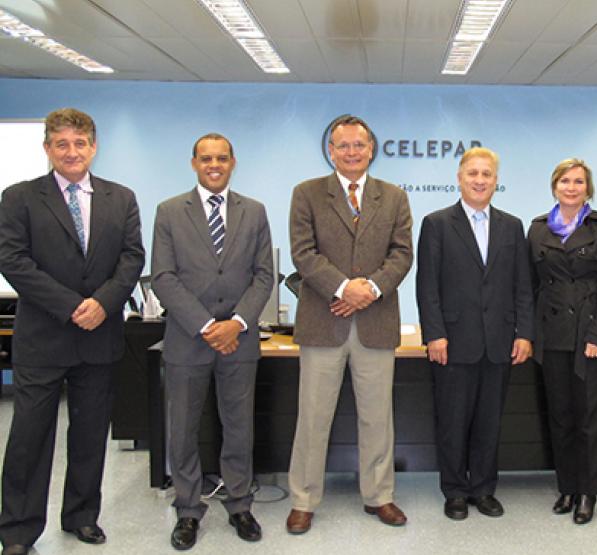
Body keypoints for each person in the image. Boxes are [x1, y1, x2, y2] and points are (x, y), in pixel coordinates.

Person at [0, 108, 144, 555]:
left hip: (99, 337)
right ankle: (18, 529)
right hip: (43, 339)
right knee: (29, 437)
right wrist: (70, 306)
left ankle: (82, 516)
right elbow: (13, 260)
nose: (71, 152)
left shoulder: (120, 198)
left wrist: (103, 302)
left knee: (89, 434)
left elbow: (132, 258)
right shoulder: (19, 197)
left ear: (93, 147)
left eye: (79, 144)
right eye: (61, 144)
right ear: (47, 149)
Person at [286, 115, 413, 533]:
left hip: (375, 324)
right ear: (331, 150)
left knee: (378, 418)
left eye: (359, 145)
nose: (352, 152)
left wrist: (370, 290)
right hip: (323, 323)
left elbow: (401, 254)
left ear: (371, 149)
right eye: (343, 146)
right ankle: (303, 499)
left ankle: (380, 496)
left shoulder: (393, 197)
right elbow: (303, 254)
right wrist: (343, 289)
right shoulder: (306, 194)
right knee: (313, 416)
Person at [151, 133, 274, 550]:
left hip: (239, 340)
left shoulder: (254, 212)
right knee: (183, 428)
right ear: (193, 163)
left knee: (239, 426)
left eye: (222, 158)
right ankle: (187, 510)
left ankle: (239, 503)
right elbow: (163, 277)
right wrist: (207, 326)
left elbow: (264, 275)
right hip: (189, 339)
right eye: (206, 158)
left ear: (233, 162)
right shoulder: (169, 212)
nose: (214, 165)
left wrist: (236, 323)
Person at [416, 147, 534, 521]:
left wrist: (524, 333)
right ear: (460, 178)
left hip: (498, 343)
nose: (480, 180)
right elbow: (427, 286)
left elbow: (522, 287)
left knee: (489, 422)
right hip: (452, 342)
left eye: (487, 174)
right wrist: (434, 334)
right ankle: (454, 490)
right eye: (473, 174)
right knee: (452, 422)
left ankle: (483, 489)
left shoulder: (512, 226)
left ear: (496, 181)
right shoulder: (436, 223)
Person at [527, 158, 597, 524]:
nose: (571, 187)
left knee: (591, 417)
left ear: (588, 188)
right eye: (565, 181)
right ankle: (567, 485)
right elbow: (531, 285)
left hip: (591, 335)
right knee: (561, 415)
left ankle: (589, 491)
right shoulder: (537, 229)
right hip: (552, 336)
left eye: (578, 182)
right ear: (555, 186)